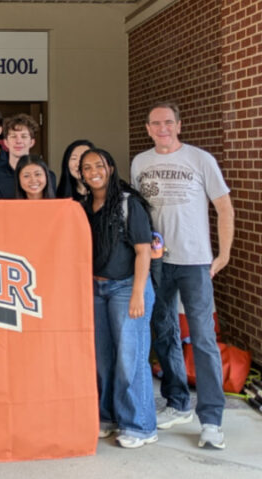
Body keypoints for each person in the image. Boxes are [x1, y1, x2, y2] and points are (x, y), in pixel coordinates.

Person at [131, 101, 234, 449]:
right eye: (156, 123)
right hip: (158, 261)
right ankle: (177, 403)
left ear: (178, 125)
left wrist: (224, 253)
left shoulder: (200, 159)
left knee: (203, 338)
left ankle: (212, 420)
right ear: (148, 128)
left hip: (194, 261)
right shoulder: (140, 163)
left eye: (168, 122)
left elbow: (224, 207)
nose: (162, 128)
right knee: (164, 333)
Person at [80, 147, 158, 449]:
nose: (93, 172)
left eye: (99, 165)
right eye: (87, 168)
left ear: (110, 168)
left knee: (130, 360)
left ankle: (140, 425)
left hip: (127, 288)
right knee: (104, 360)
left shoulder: (128, 203)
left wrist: (138, 293)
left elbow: (143, 251)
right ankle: (110, 416)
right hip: (96, 290)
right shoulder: (84, 207)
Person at [0, 114, 56, 198]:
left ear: (32, 142)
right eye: (13, 136)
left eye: (24, 136)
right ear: (6, 142)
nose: (18, 141)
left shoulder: (48, 176)